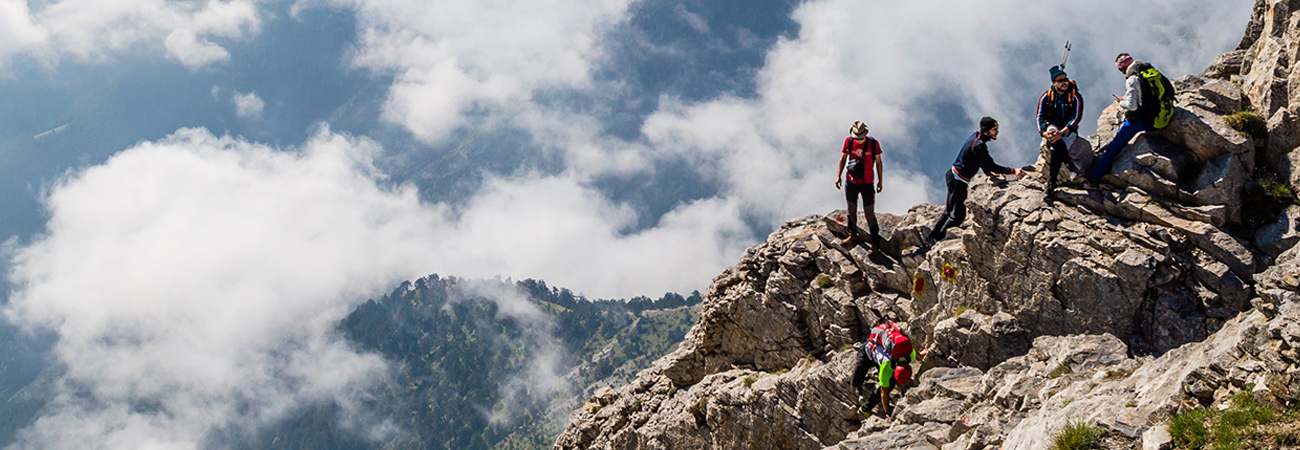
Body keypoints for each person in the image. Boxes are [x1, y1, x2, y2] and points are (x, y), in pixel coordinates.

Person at [924, 117, 1025, 246]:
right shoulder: (979, 146)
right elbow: (992, 165)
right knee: (958, 216)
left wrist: (988, 174)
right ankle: (936, 240)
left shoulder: (977, 137)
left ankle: (931, 237)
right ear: (987, 131)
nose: (997, 132)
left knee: (949, 210)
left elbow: (981, 161)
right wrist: (1013, 170)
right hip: (958, 181)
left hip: (953, 176)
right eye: (995, 129)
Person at [1090, 53, 1174, 181]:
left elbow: (1132, 106)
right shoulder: (1149, 70)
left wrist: (1121, 102)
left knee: (1113, 147)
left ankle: (1095, 176)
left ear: (1121, 68)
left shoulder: (1132, 80)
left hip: (1145, 120)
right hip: (1163, 115)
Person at [851, 321, 927, 419]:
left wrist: (920, 355)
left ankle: (865, 407)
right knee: (856, 381)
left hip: (881, 353)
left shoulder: (909, 355)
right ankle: (855, 380)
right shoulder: (886, 367)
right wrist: (887, 412)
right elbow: (884, 392)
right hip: (867, 352)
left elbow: (909, 346)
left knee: (890, 385)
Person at [1037, 65, 1085, 201]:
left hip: (1069, 129)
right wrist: (1043, 133)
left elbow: (1077, 117)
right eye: (1061, 81)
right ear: (1054, 83)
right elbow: (1040, 116)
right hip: (1052, 127)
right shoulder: (1046, 97)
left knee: (1055, 149)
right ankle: (1068, 164)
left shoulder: (1075, 96)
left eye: (1066, 79)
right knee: (1055, 143)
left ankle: (1051, 183)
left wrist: (1063, 132)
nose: (1065, 83)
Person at [835, 121, 884, 251]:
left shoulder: (873, 144)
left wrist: (880, 181)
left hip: (867, 183)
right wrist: (838, 176)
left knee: (869, 213)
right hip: (851, 181)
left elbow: (879, 162)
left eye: (861, 137)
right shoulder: (849, 142)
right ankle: (853, 234)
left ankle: (875, 242)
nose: (860, 140)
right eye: (857, 138)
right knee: (851, 210)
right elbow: (843, 158)